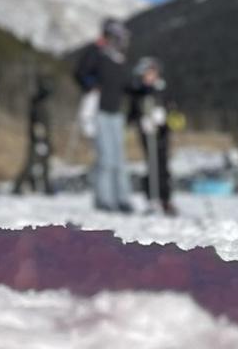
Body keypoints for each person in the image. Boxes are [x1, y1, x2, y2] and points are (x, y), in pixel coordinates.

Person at [74, 18, 132, 213]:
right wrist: (91, 85)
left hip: (116, 113)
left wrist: (141, 88)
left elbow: (125, 84)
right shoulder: (96, 52)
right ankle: (103, 199)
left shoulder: (119, 58)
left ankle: (122, 198)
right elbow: (80, 73)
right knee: (105, 157)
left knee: (120, 158)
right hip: (99, 112)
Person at [127, 57, 175, 215]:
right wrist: (140, 120)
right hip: (146, 132)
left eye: (151, 73)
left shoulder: (162, 89)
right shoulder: (138, 91)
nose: (149, 77)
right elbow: (132, 112)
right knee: (151, 164)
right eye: (146, 74)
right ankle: (151, 198)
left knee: (163, 165)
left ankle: (165, 199)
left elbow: (171, 108)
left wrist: (164, 116)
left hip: (161, 132)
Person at [13, 76, 56, 196]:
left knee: (45, 164)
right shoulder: (38, 103)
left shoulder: (41, 102)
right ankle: (18, 186)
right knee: (31, 164)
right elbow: (38, 123)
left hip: (43, 139)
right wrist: (40, 140)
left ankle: (47, 186)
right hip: (38, 139)